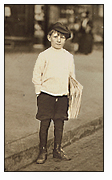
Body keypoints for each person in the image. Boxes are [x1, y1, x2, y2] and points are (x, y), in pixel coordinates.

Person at [32, 22, 75, 164]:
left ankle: (57, 149)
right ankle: (42, 150)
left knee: (59, 124)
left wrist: (70, 92)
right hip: (46, 94)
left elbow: (71, 77)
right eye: (56, 36)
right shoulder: (44, 55)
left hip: (62, 96)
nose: (59, 40)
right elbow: (36, 75)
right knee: (44, 124)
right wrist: (39, 93)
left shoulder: (68, 57)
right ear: (49, 37)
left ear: (65, 39)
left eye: (62, 37)